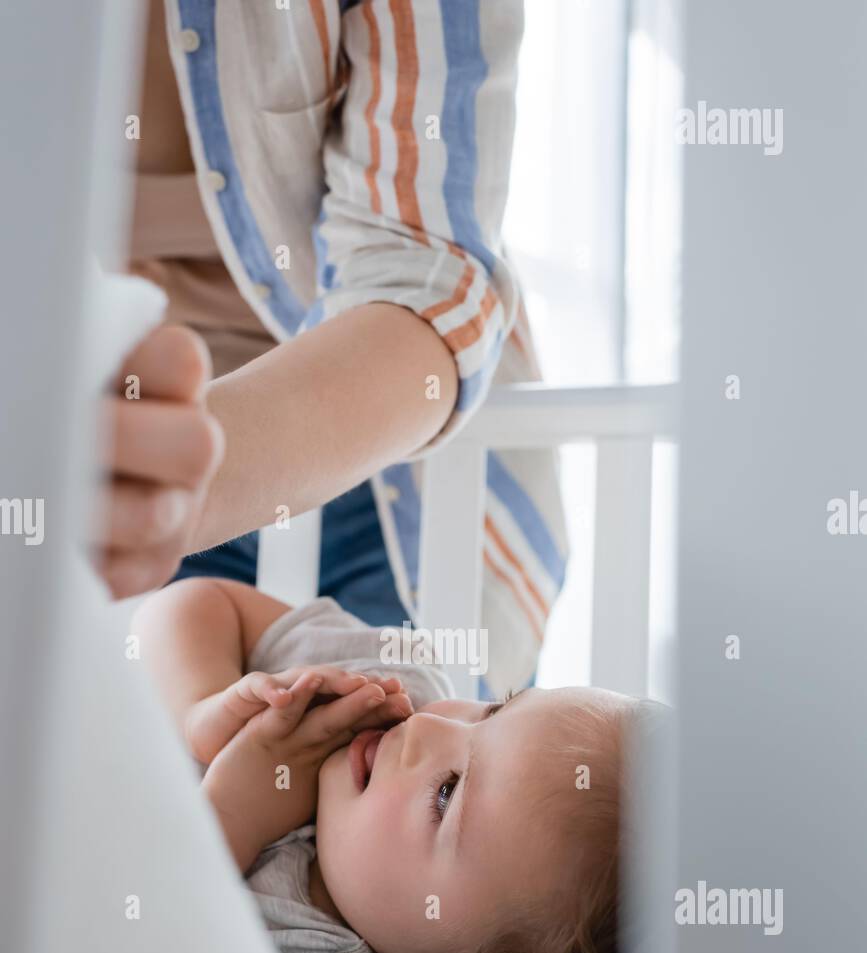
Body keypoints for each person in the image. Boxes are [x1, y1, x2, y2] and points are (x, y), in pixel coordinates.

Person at [97, 0, 567, 696]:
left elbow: (422, 265)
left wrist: (170, 488)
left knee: (394, 770)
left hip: (387, 470)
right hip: (108, 487)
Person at [133, 575, 634, 953]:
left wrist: (231, 812)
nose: (427, 724)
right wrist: (200, 710)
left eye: (447, 792)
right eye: (492, 710)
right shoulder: (380, 687)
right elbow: (197, 601)